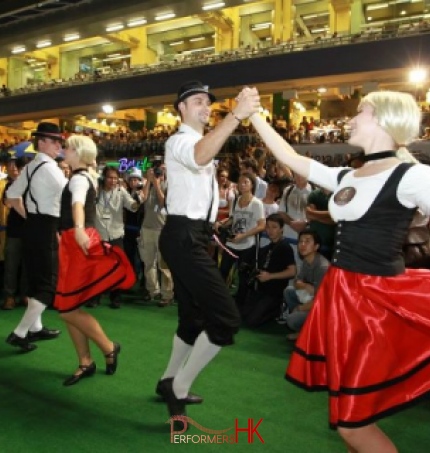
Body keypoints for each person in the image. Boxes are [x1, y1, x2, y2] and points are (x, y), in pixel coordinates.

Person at [248, 89, 430, 452]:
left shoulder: (415, 176)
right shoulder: (350, 175)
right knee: (354, 410)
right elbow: (289, 156)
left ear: (383, 119)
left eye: (360, 111)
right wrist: (252, 116)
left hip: (377, 305)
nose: (350, 118)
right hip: (343, 298)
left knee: (352, 424)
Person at [157, 80, 259, 425]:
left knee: (193, 319)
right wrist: (235, 116)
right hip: (184, 236)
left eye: (208, 102)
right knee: (226, 320)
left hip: (194, 235)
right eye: (198, 101)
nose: (205, 106)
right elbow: (201, 154)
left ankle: (167, 381)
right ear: (181, 108)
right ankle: (179, 388)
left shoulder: (197, 142)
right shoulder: (180, 141)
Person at [55, 135, 135, 386]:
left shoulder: (79, 178)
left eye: (67, 147)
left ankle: (109, 347)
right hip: (72, 241)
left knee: (67, 308)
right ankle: (85, 361)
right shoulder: (82, 176)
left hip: (77, 241)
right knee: (71, 307)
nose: (63, 150)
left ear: (78, 153)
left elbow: (78, 204)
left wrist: (77, 228)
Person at [5, 122, 67, 352]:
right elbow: (69, 196)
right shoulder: (50, 167)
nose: (59, 145)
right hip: (45, 227)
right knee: (47, 284)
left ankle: (35, 328)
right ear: (41, 142)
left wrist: (30, 216)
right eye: (55, 141)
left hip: (32, 226)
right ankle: (20, 332)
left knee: (35, 280)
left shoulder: (30, 167)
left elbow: (11, 197)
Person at [241, 213, 296, 328]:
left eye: (274, 227)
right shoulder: (268, 247)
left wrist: (270, 276)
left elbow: (292, 271)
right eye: (268, 227)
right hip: (261, 290)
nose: (270, 230)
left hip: (274, 293)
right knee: (244, 315)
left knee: (252, 321)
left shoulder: (285, 247)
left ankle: (278, 309)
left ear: (281, 229)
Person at [279, 229, 329, 339]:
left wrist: (301, 308)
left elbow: (322, 300)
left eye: (307, 241)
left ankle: (311, 334)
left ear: (316, 246)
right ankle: (303, 331)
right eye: (300, 241)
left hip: (324, 308)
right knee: (289, 291)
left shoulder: (322, 267)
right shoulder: (307, 260)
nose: (302, 245)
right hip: (311, 299)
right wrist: (306, 286)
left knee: (292, 320)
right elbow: (297, 282)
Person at [2, 156, 27, 310]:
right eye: (22, 168)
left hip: (31, 232)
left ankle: (25, 295)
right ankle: (9, 296)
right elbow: (8, 203)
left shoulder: (35, 186)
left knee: (28, 266)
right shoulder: (11, 186)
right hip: (14, 231)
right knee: (11, 265)